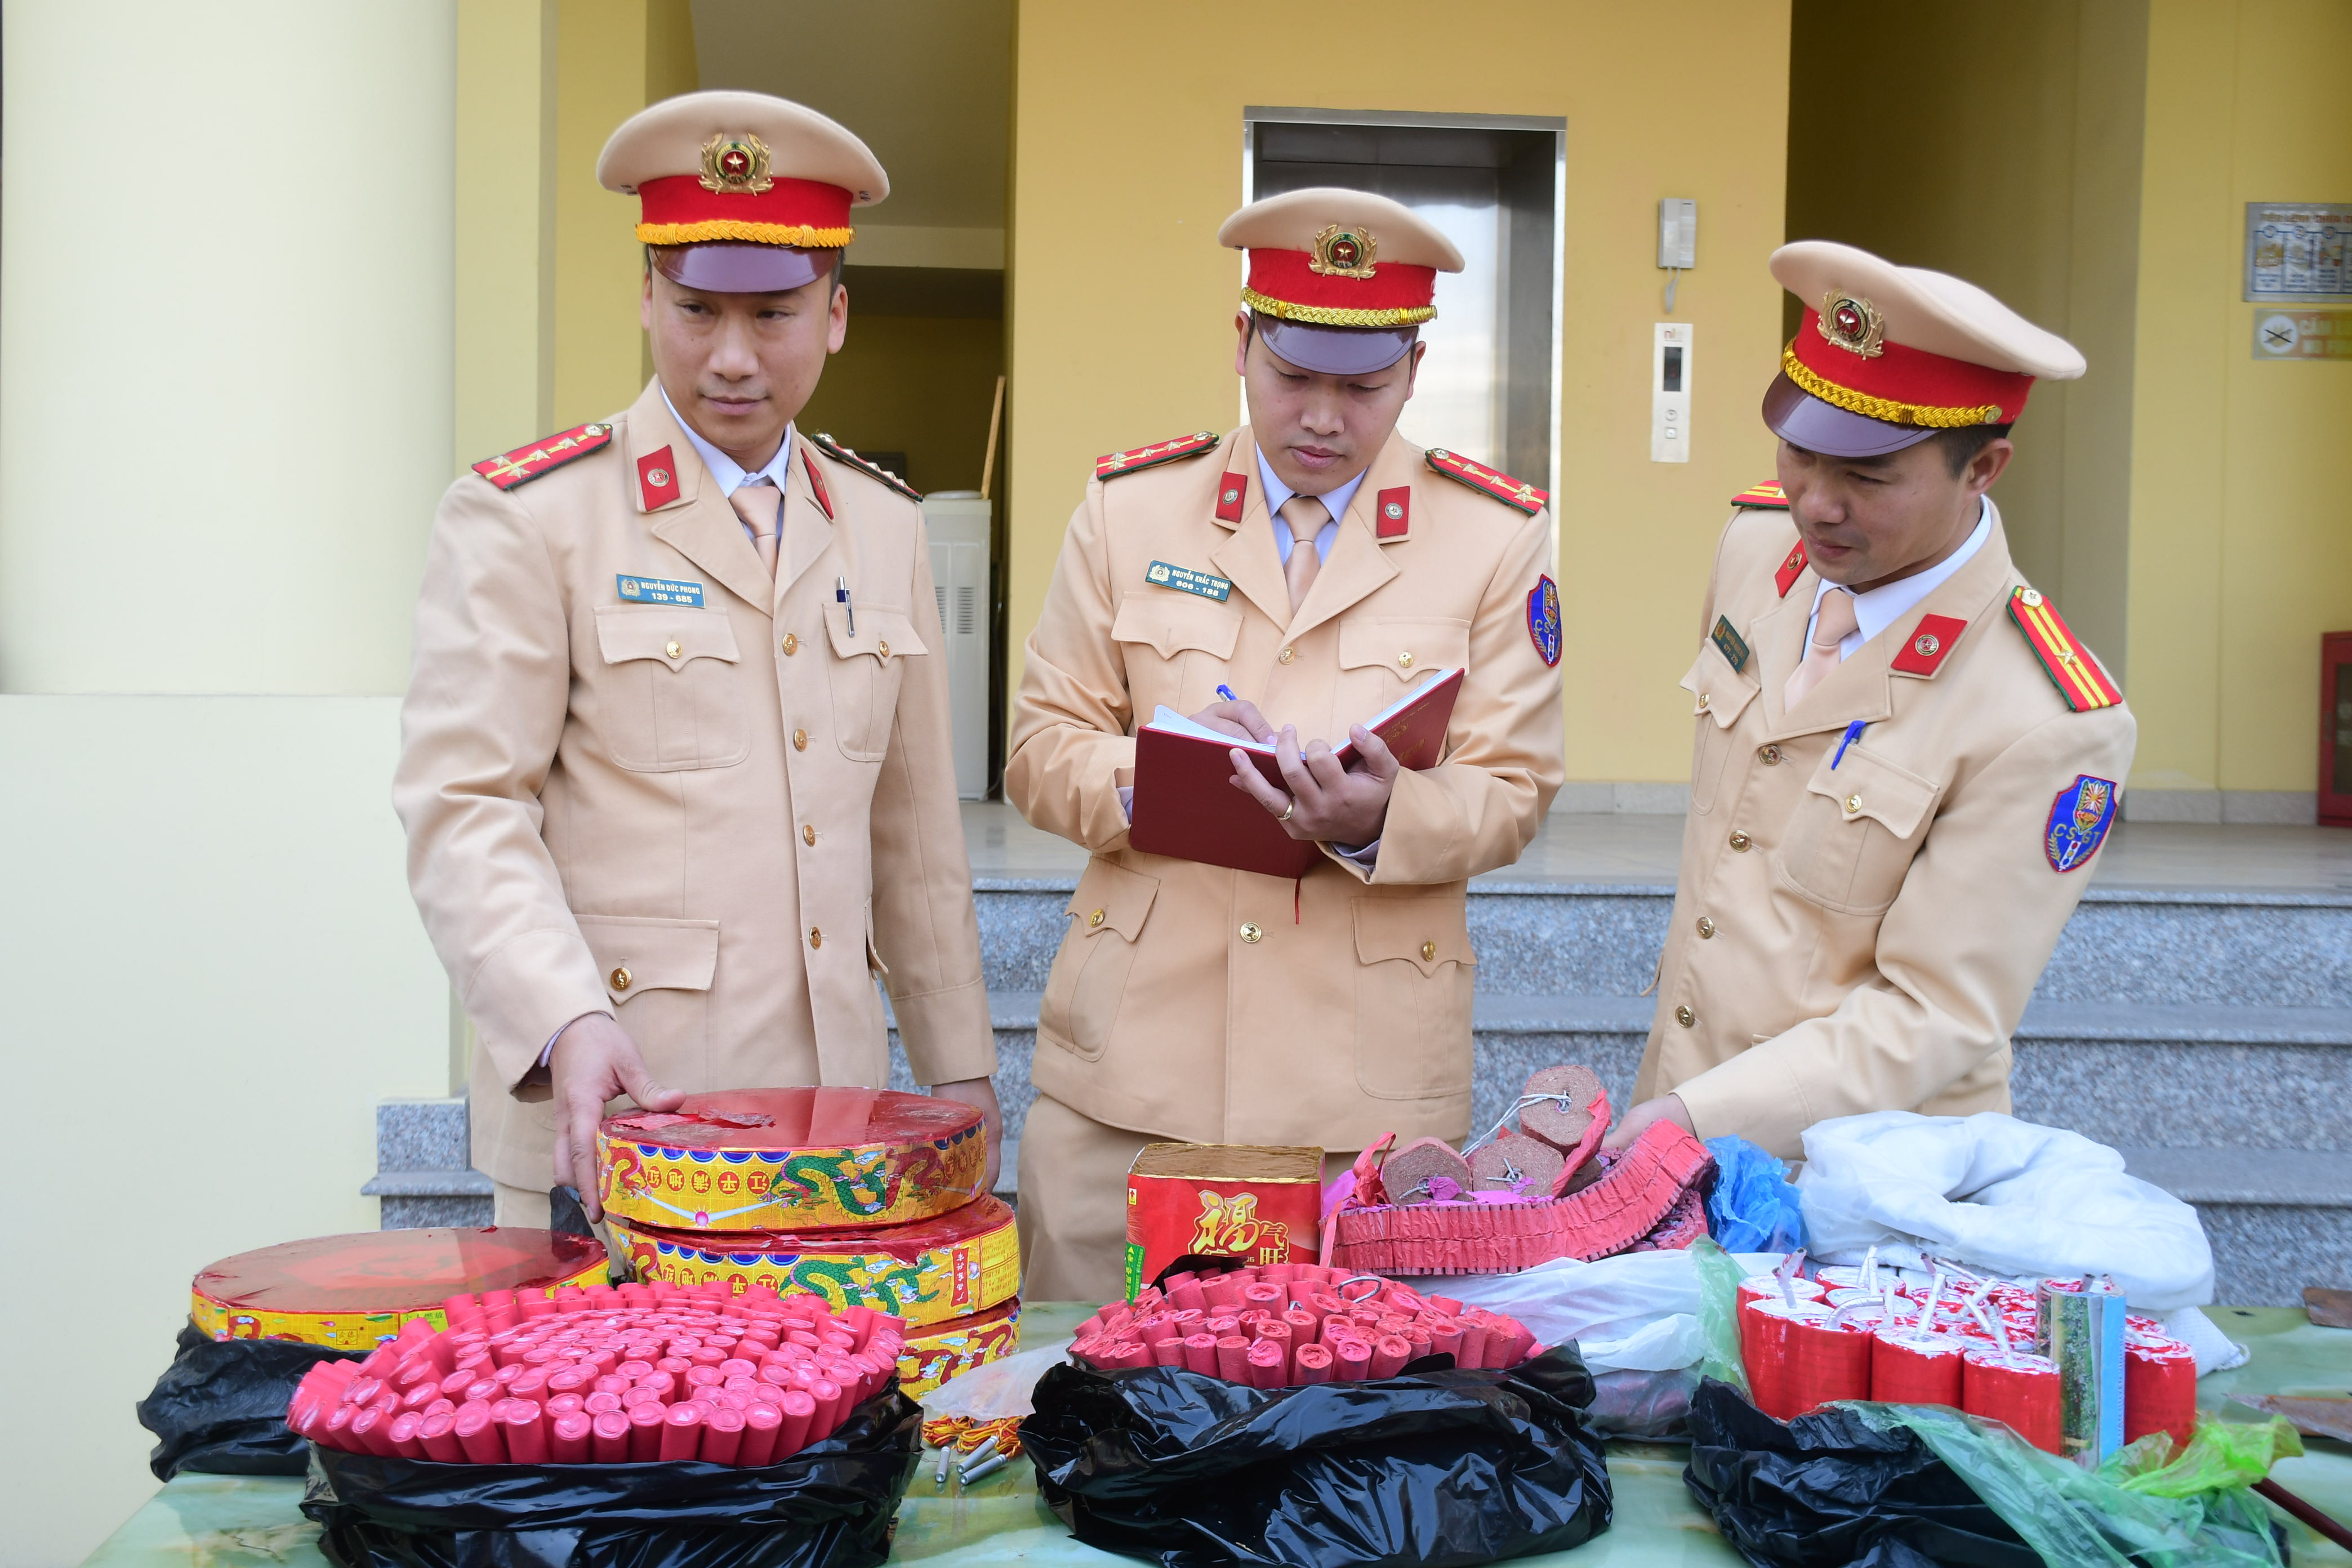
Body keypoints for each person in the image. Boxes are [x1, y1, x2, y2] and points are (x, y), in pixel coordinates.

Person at [394, 91, 1000, 1225]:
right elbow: (465, 804)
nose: (731, 357)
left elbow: (914, 835)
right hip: (623, 1119)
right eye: (694, 310)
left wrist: (960, 1061)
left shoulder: (882, 525)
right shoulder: (532, 517)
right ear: (645, 297)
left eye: (773, 314)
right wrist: (563, 1016)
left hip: (837, 1130)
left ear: (836, 314)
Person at [1004, 188, 1566, 1300]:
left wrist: (1383, 818)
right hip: (1134, 1074)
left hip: (1356, 1093)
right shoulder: (1131, 510)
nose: (1322, 417)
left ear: (1412, 367)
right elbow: (1038, 745)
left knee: (1331, 1418)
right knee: (1086, 1392)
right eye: (1292, 378)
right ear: (1242, 344)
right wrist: (1155, 775)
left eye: (1361, 389)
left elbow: (1515, 786)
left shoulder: (1496, 537)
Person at [1606, 240, 2135, 1161]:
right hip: (1678, 1123)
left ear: (1986, 468)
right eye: (1801, 456)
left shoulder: (2047, 716)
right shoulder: (1755, 551)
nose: (1817, 503)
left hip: (1867, 1187)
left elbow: (1937, 1015)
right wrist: (1679, 1112)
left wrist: (1703, 1118)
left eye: (1868, 477)